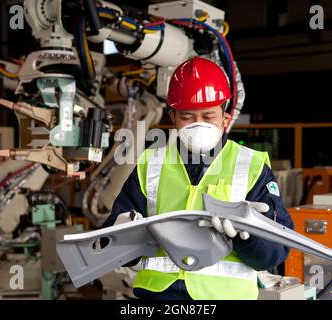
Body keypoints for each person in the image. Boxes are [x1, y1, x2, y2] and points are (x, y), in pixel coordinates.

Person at [103, 57, 294, 300]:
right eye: (188, 117)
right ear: (173, 118)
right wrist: (121, 236)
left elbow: (275, 255)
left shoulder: (251, 166)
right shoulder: (151, 163)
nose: (198, 125)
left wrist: (246, 235)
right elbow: (115, 247)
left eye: (208, 116)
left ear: (225, 118)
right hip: (159, 296)